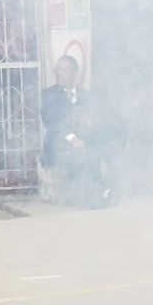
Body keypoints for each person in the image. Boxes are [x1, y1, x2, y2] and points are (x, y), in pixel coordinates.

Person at [40, 54, 107, 207]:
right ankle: (81, 195)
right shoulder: (49, 94)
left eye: (64, 69)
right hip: (60, 144)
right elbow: (51, 121)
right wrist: (71, 137)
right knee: (75, 153)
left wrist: (87, 121)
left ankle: (98, 193)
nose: (59, 73)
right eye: (58, 69)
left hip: (83, 143)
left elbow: (96, 121)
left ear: (74, 73)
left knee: (93, 150)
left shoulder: (85, 96)